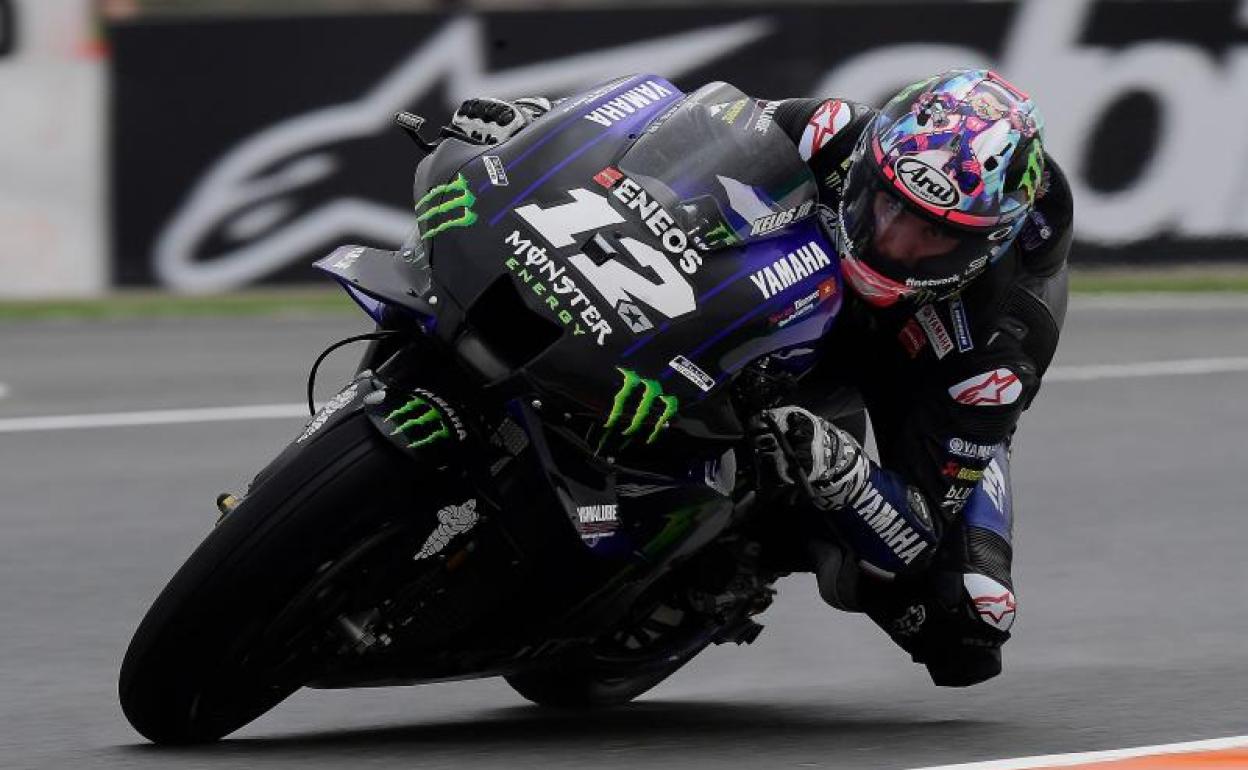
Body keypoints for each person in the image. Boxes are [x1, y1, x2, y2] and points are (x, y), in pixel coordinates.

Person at [449, 69, 1073, 687]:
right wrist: (537, 121)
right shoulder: (840, 133)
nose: (895, 243)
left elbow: (918, 533)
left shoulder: (998, 350)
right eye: (889, 208)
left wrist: (846, 476)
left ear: (987, 245)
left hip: (923, 367)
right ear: (871, 168)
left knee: (967, 620)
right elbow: (665, 129)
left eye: (933, 236)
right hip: (808, 289)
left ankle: (748, 553)